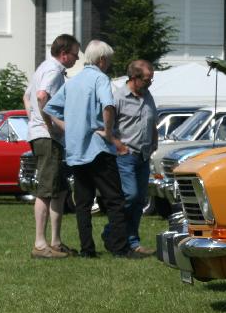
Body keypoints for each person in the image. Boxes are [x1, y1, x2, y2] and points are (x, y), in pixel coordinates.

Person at [44, 40, 143, 259]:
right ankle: (120, 247)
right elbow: (108, 105)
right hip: (98, 150)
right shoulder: (100, 78)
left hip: (77, 150)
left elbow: (50, 108)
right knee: (115, 200)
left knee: (83, 203)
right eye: (109, 61)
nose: (109, 64)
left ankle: (87, 249)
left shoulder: (73, 82)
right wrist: (108, 132)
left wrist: (69, 128)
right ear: (102, 60)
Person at [25, 34, 80, 259]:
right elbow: (41, 97)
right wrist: (50, 125)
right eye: (75, 54)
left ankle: (55, 242)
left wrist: (33, 121)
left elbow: (26, 97)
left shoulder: (43, 67)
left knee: (60, 189)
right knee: (47, 190)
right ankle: (40, 244)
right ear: (64, 54)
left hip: (43, 135)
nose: (77, 59)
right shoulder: (54, 70)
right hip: (48, 137)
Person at [103, 59, 158, 255]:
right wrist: (118, 145)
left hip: (144, 155)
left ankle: (133, 241)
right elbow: (106, 128)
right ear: (134, 78)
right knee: (130, 196)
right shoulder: (118, 97)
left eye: (151, 79)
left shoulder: (148, 95)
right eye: (147, 79)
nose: (150, 83)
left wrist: (154, 141)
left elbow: (152, 122)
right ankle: (111, 232)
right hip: (125, 156)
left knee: (139, 200)